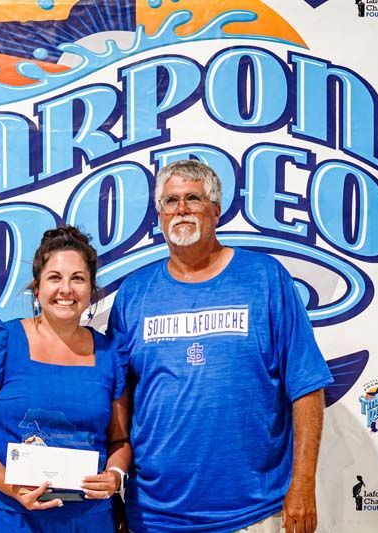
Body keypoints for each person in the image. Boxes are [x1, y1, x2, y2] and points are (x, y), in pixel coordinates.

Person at [107, 160, 333, 533]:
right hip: (154, 515)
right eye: (170, 201)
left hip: (254, 512)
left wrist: (304, 484)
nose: (181, 209)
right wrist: (114, 485)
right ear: (159, 215)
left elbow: (307, 386)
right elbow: (118, 399)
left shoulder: (265, 277)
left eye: (193, 198)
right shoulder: (135, 293)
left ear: (216, 210)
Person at [0, 226, 131, 532]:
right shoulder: (1, 344)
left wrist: (115, 475)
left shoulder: (110, 356)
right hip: (10, 517)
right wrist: (12, 487)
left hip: (88, 519)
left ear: (91, 290)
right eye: (55, 278)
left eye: (78, 278)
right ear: (37, 288)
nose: (66, 289)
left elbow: (119, 441)